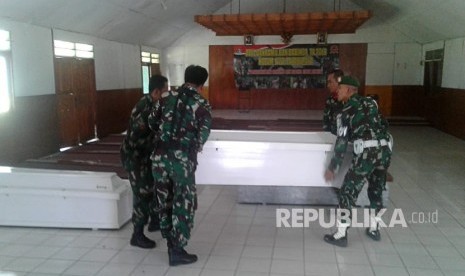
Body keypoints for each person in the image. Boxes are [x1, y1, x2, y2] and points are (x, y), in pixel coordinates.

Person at [149, 65, 212, 266]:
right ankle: (177, 249)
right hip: (181, 160)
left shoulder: (166, 97)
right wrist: (193, 147)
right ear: (202, 84)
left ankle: (170, 242)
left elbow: (152, 122)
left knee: (164, 200)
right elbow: (203, 133)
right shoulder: (201, 102)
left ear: (185, 79)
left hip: (158, 157)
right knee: (183, 203)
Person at [323, 76, 392, 247]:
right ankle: (374, 229)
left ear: (348, 90)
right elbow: (384, 126)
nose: (336, 91)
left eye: (339, 89)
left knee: (347, 193)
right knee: (376, 190)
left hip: (366, 155)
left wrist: (333, 168)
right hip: (384, 152)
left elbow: (341, 142)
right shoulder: (371, 103)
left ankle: (340, 235)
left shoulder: (345, 111)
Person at [120, 74, 169, 249]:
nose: (166, 95)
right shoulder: (145, 109)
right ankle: (137, 235)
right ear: (156, 92)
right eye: (165, 92)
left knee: (153, 187)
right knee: (142, 195)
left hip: (146, 156)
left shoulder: (154, 104)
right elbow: (137, 137)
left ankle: (154, 221)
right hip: (136, 158)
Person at [323, 69, 344, 135]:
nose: (328, 85)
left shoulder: (348, 100)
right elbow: (326, 122)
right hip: (331, 137)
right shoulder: (330, 100)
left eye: (330, 82)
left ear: (338, 81)